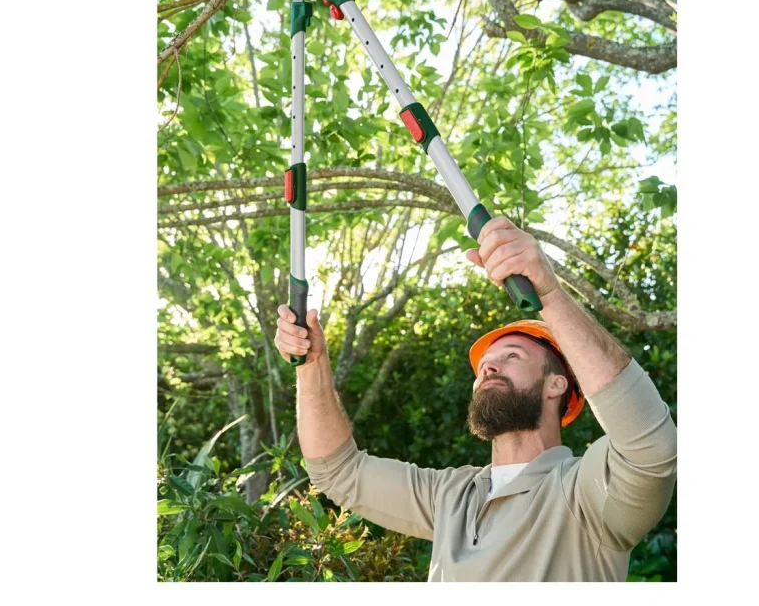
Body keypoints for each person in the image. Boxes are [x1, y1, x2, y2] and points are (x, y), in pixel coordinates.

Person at [274, 216, 677, 581]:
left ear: (557, 385)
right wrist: (311, 366)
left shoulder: (586, 493)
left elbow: (651, 447)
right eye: (484, 364)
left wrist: (549, 292)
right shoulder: (451, 496)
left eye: (512, 357)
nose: (488, 367)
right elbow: (338, 473)